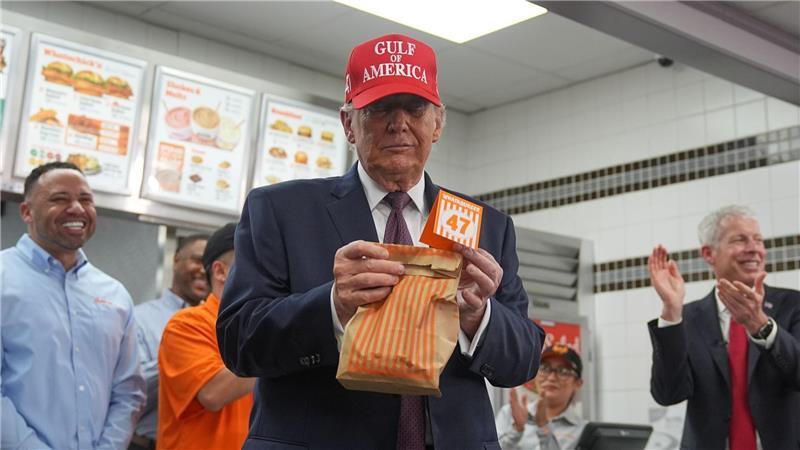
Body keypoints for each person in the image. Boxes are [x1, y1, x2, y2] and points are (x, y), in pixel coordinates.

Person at [217, 33, 544, 449]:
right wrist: (333, 305)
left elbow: (524, 359)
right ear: (348, 124)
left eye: (415, 108)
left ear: (438, 123)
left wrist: (478, 316)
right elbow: (238, 342)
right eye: (379, 108)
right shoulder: (282, 211)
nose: (399, 122)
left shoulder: (485, 226)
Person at [1, 162, 145, 449]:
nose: (77, 209)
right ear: (27, 212)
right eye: (59, 199)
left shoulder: (114, 294)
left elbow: (128, 391)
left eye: (86, 199)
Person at [648, 205, 800, 450]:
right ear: (709, 253)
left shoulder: (793, 306)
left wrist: (760, 324)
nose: (754, 249)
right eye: (740, 240)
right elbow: (668, 394)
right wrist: (671, 312)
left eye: (758, 240)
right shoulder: (687, 318)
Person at [157, 223, 254, 450]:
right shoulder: (186, 325)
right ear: (220, 272)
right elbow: (213, 393)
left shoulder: (256, 328)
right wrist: (285, 345)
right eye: (255, 266)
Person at [131, 233, 209, 450]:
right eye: (197, 260)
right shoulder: (139, 318)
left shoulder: (222, 327)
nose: (204, 269)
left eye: (211, 264)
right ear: (176, 260)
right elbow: (131, 392)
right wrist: (179, 359)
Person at [496, 345, 586, 450]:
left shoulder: (583, 430)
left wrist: (543, 427)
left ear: (578, 383)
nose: (552, 378)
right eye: (545, 368)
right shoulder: (510, 414)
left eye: (563, 371)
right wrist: (516, 429)